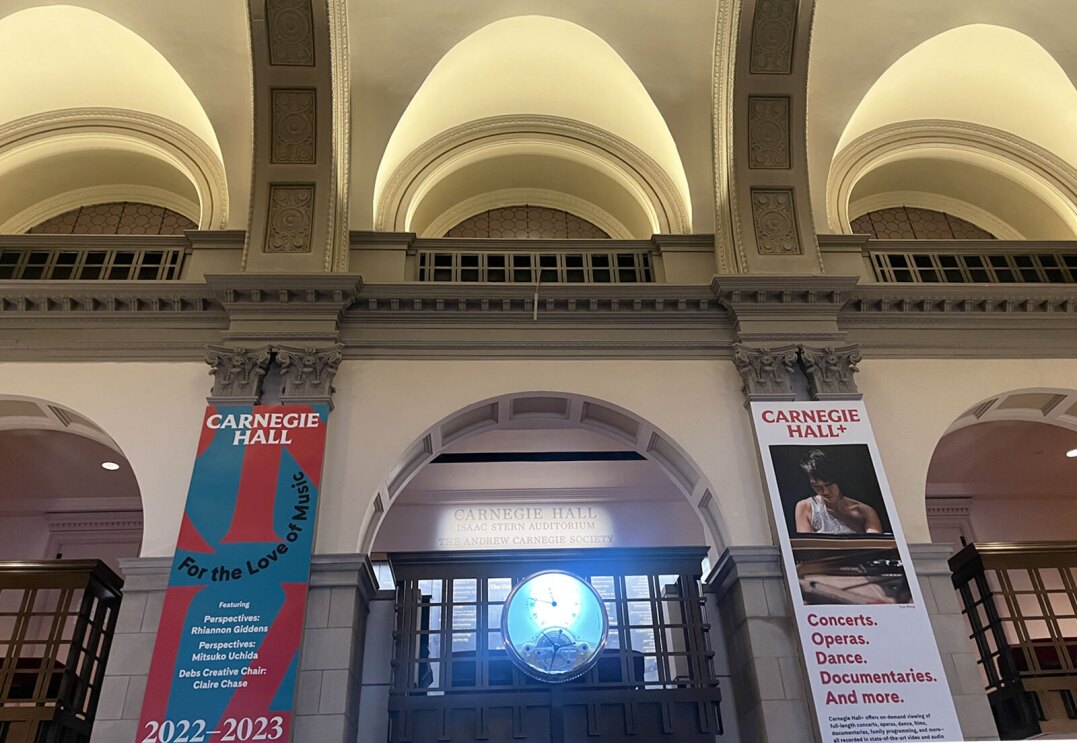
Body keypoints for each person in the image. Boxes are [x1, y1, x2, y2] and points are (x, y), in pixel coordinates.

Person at [793, 449, 882, 535]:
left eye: (829, 484)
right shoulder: (805, 507)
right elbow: (807, 548)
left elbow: (875, 547)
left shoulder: (865, 512)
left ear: (839, 480)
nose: (825, 491)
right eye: (817, 486)